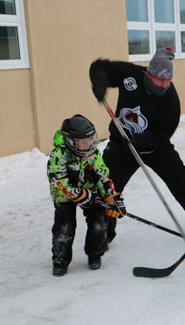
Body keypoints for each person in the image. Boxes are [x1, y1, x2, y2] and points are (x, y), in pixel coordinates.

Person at [89, 46, 185, 242]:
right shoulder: (132, 75)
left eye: (167, 81)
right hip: (121, 147)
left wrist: (139, 140)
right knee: (106, 187)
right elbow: (99, 67)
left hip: (155, 147)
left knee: (181, 181)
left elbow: (162, 134)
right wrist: (100, 85)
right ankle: (102, 235)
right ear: (148, 74)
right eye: (159, 79)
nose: (163, 84)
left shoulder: (170, 100)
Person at [47, 114, 127, 277]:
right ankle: (60, 260)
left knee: (100, 221)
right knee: (65, 227)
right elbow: (59, 181)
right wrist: (80, 195)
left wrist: (112, 197)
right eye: (82, 142)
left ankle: (95, 253)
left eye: (90, 140)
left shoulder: (93, 154)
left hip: (89, 189)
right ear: (70, 141)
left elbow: (102, 175)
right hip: (64, 194)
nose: (87, 144)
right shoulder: (58, 156)